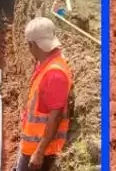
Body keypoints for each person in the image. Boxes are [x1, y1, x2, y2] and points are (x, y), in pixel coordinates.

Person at [13, 17, 73, 171]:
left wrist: (39, 152)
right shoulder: (47, 65)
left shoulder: (54, 73)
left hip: (41, 150)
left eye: (29, 45)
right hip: (32, 146)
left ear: (32, 44)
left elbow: (56, 115)